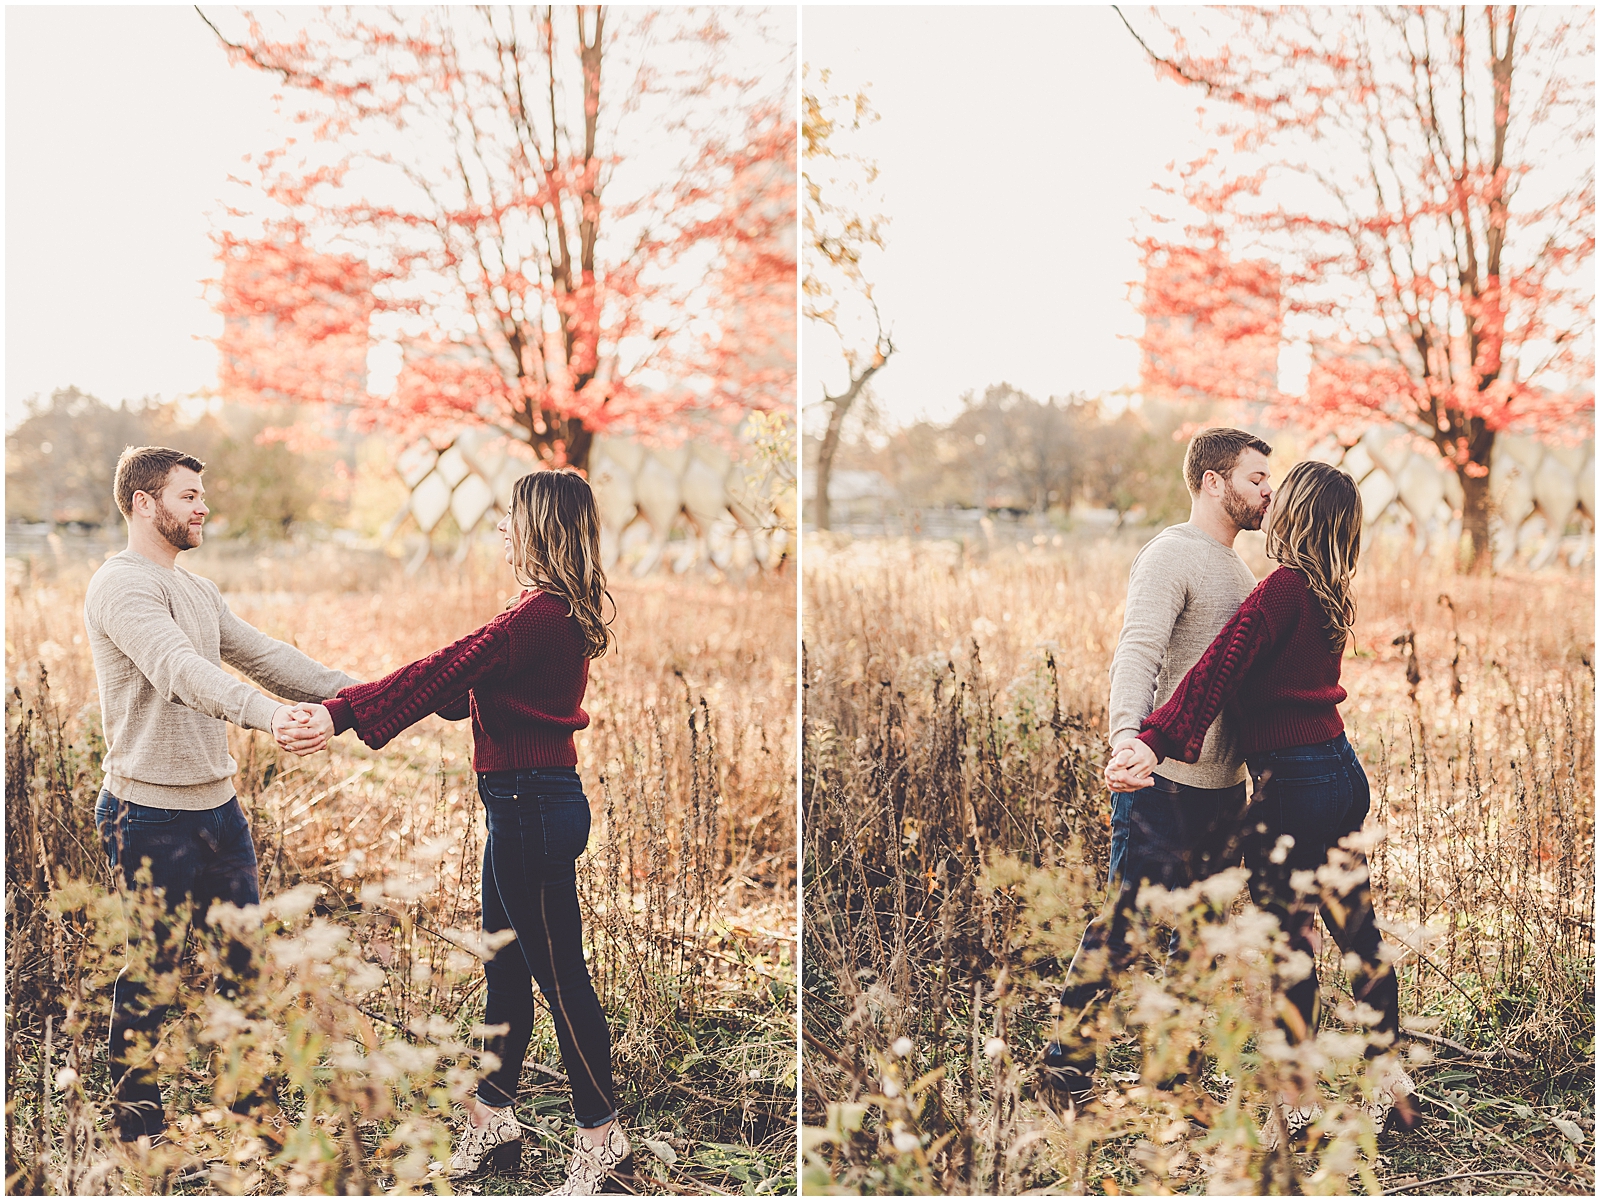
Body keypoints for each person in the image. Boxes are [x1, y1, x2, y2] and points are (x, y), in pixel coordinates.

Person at [285, 469, 632, 1195]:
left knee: (562, 979)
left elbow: (446, 667)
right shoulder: (546, 611)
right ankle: (493, 1115)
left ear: (536, 525)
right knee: (505, 970)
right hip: (524, 806)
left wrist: (343, 711)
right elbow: (457, 690)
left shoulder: (534, 614)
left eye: (509, 515)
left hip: (531, 809)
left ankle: (603, 1139)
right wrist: (369, 693)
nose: (500, 527)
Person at [1115, 460, 1417, 1134]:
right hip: (1341, 774)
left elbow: (1217, 667)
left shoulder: (1281, 587)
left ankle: (1296, 1102)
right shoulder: (1331, 587)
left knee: (1292, 939)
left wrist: (1154, 739)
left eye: (1281, 495)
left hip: (1293, 786)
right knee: (1358, 931)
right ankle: (1392, 1082)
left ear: (1297, 515)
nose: (1268, 498)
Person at [84, 446, 353, 1147]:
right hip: (146, 813)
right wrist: (269, 717)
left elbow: (268, 656)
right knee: (155, 970)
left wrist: (374, 693)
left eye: (202, 495)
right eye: (188, 494)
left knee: (243, 965)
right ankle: (138, 1126)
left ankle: (250, 1116)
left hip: (217, 810)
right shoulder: (121, 586)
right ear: (145, 502)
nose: (203, 506)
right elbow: (179, 670)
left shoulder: (198, 590)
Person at [1040, 427, 1273, 1097]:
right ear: (1212, 481)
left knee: (1197, 940)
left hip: (1221, 789)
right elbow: (1137, 652)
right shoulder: (1172, 554)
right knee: (1123, 927)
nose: (1268, 491)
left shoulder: (1243, 570)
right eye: (1256, 477)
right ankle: (1064, 1069)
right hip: (1161, 784)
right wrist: (1123, 741)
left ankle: (1174, 1075)